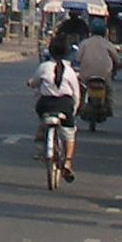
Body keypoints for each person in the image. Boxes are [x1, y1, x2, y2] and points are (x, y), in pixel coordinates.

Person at [31, 47, 82, 181]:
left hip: (45, 105)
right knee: (69, 134)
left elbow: (35, 82)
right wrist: (74, 110)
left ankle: (42, 142)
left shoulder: (44, 67)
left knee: (42, 121)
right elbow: (76, 94)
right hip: (65, 106)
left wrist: (31, 83)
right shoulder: (70, 71)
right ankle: (68, 162)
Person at [74, 21, 119, 120]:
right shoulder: (108, 44)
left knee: (80, 90)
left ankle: (78, 106)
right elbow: (116, 59)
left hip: (86, 75)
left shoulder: (84, 43)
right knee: (109, 90)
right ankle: (109, 107)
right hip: (104, 75)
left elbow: (77, 59)